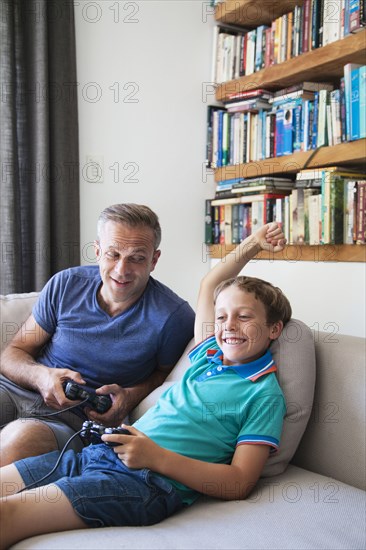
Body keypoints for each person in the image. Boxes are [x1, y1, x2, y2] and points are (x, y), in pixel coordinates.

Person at [0, 222, 291, 549]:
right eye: (222, 317)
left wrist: (156, 458)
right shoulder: (207, 355)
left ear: (274, 329)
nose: (229, 326)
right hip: (100, 454)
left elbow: (239, 483)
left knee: (7, 514)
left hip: (146, 483)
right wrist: (254, 243)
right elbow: (210, 284)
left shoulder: (263, 395)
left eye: (245, 317)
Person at [0, 203, 195, 465]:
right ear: (97, 251)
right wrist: (41, 376)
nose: (122, 270)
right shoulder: (66, 284)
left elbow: (163, 375)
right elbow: (13, 353)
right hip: (15, 391)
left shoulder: (174, 317)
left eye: (137, 258)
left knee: (19, 442)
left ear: (154, 260)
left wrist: (129, 398)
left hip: (72, 418)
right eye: (113, 254)